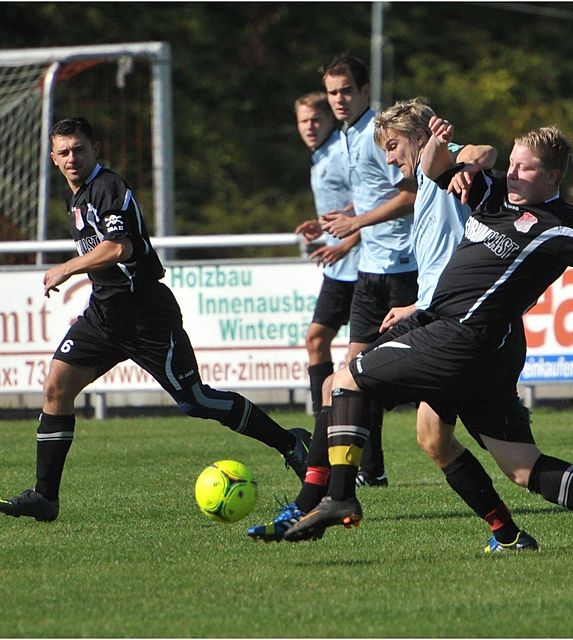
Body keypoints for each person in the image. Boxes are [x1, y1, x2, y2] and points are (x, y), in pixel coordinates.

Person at [282, 123, 573, 553]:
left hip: (460, 338)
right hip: (468, 341)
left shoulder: (561, 225)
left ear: (553, 176)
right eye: (513, 163)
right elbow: (436, 167)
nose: (514, 173)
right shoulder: (496, 191)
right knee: (520, 465)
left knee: (348, 380)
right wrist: (457, 149)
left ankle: (339, 495)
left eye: (526, 167)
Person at [0, 117, 309, 522]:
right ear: (53, 159)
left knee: (195, 401)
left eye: (79, 149)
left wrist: (67, 268)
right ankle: (45, 497)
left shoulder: (108, 187)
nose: (72, 157)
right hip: (105, 313)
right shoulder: (77, 197)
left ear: (96, 149)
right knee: (57, 388)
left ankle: (290, 443)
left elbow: (120, 248)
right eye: (64, 152)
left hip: (146, 315)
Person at [374, 98, 536, 552]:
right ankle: (507, 534)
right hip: (441, 317)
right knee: (433, 438)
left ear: (421, 138)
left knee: (349, 384)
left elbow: (485, 152)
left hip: (466, 328)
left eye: (393, 145)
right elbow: (442, 263)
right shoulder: (424, 185)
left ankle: (328, 491)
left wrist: (459, 157)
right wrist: (414, 307)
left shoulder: (446, 165)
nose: (389, 158)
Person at [245, 92, 359, 542]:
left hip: (363, 264)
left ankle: (350, 460)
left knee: (352, 374)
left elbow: (373, 206)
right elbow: (346, 210)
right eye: (302, 120)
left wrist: (344, 238)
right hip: (342, 263)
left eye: (316, 118)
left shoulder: (344, 151)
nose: (309, 126)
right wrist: (321, 227)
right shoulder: (318, 156)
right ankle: (327, 444)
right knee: (320, 345)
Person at [318, 54, 419, 489]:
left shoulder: (378, 135)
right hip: (369, 272)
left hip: (402, 270)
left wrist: (356, 222)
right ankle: (363, 469)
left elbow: (410, 195)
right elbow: (374, 197)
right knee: (350, 375)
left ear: (364, 93)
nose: (338, 100)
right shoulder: (345, 135)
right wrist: (347, 224)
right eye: (331, 92)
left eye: (345, 91)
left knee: (424, 380)